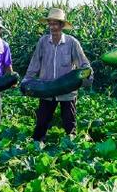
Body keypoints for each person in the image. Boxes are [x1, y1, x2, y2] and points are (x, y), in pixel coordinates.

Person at [24, 8, 91, 142]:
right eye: (51, 23)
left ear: (62, 25)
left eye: (56, 23)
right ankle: (36, 146)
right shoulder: (43, 42)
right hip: (47, 90)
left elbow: (84, 65)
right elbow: (35, 62)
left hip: (67, 92)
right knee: (41, 123)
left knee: (69, 123)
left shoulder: (72, 42)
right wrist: (27, 80)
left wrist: (85, 80)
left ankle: (72, 150)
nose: (53, 27)